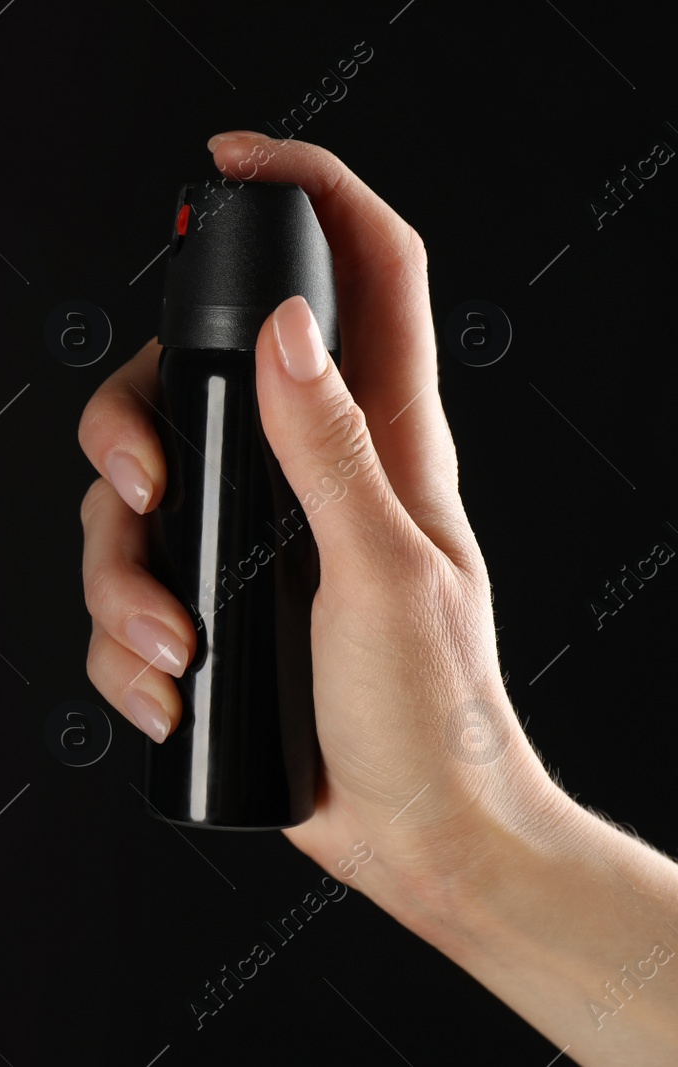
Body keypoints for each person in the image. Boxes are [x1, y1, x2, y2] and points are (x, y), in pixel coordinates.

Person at [77, 131, 678, 1064]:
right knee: (149, 480)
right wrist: (464, 845)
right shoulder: (239, 340)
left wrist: (466, 842)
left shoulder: (280, 358)